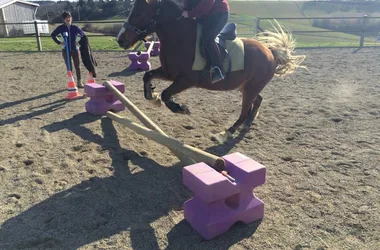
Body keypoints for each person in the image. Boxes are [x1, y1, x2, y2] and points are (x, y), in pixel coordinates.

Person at [182, 0, 230, 83]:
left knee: (208, 39)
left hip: (218, 14)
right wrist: (184, 10)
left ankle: (218, 69)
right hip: (204, 14)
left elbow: (208, 2)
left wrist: (190, 14)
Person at [51, 11, 85, 88]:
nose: (68, 19)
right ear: (63, 19)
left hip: (75, 50)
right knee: (69, 67)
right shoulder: (61, 28)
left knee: (78, 66)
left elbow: (82, 34)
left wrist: (79, 42)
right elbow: (53, 35)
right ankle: (71, 81)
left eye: (69, 17)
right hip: (65, 50)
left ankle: (79, 81)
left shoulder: (75, 27)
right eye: (66, 17)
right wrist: (59, 42)